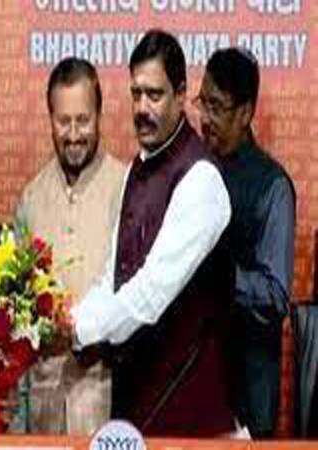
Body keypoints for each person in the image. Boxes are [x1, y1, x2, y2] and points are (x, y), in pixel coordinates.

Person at [71, 29, 236, 436]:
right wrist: (67, 320)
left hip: (189, 411)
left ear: (181, 96)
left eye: (155, 95)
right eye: (136, 94)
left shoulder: (201, 179)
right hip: (134, 403)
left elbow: (149, 295)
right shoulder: (137, 168)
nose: (142, 108)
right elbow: (112, 278)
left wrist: (77, 329)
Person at [15, 57, 126, 435]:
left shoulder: (127, 189)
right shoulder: (31, 198)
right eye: (64, 121)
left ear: (99, 117)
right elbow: (18, 311)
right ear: (50, 119)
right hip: (43, 406)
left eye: (83, 120)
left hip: (108, 403)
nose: (74, 134)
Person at [196, 47, 295, 438]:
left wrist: (222, 276)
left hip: (249, 390)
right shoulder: (192, 171)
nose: (205, 118)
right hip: (196, 380)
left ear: (246, 113)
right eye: (202, 103)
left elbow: (275, 295)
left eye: (216, 107)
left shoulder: (273, 187)